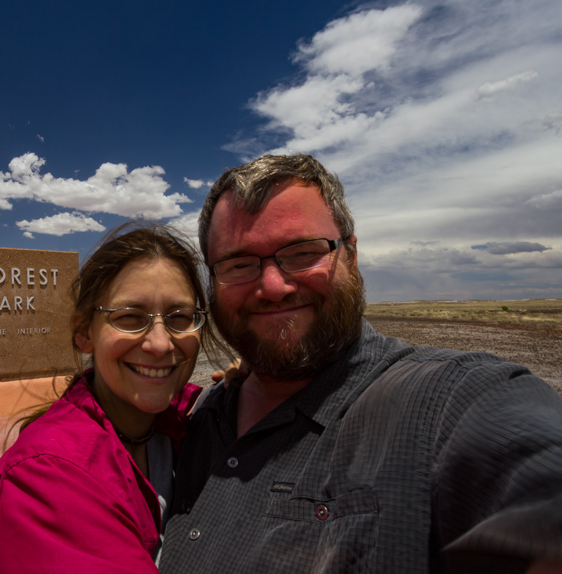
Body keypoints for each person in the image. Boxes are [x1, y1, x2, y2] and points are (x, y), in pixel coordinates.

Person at [158, 154, 562, 573]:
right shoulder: (199, 418)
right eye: (239, 264)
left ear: (350, 254)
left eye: (302, 252)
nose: (273, 287)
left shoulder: (446, 401)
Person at [0, 225, 224, 574]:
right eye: (129, 317)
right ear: (84, 332)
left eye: (179, 318)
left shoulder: (181, 428)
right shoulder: (46, 478)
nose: (160, 344)